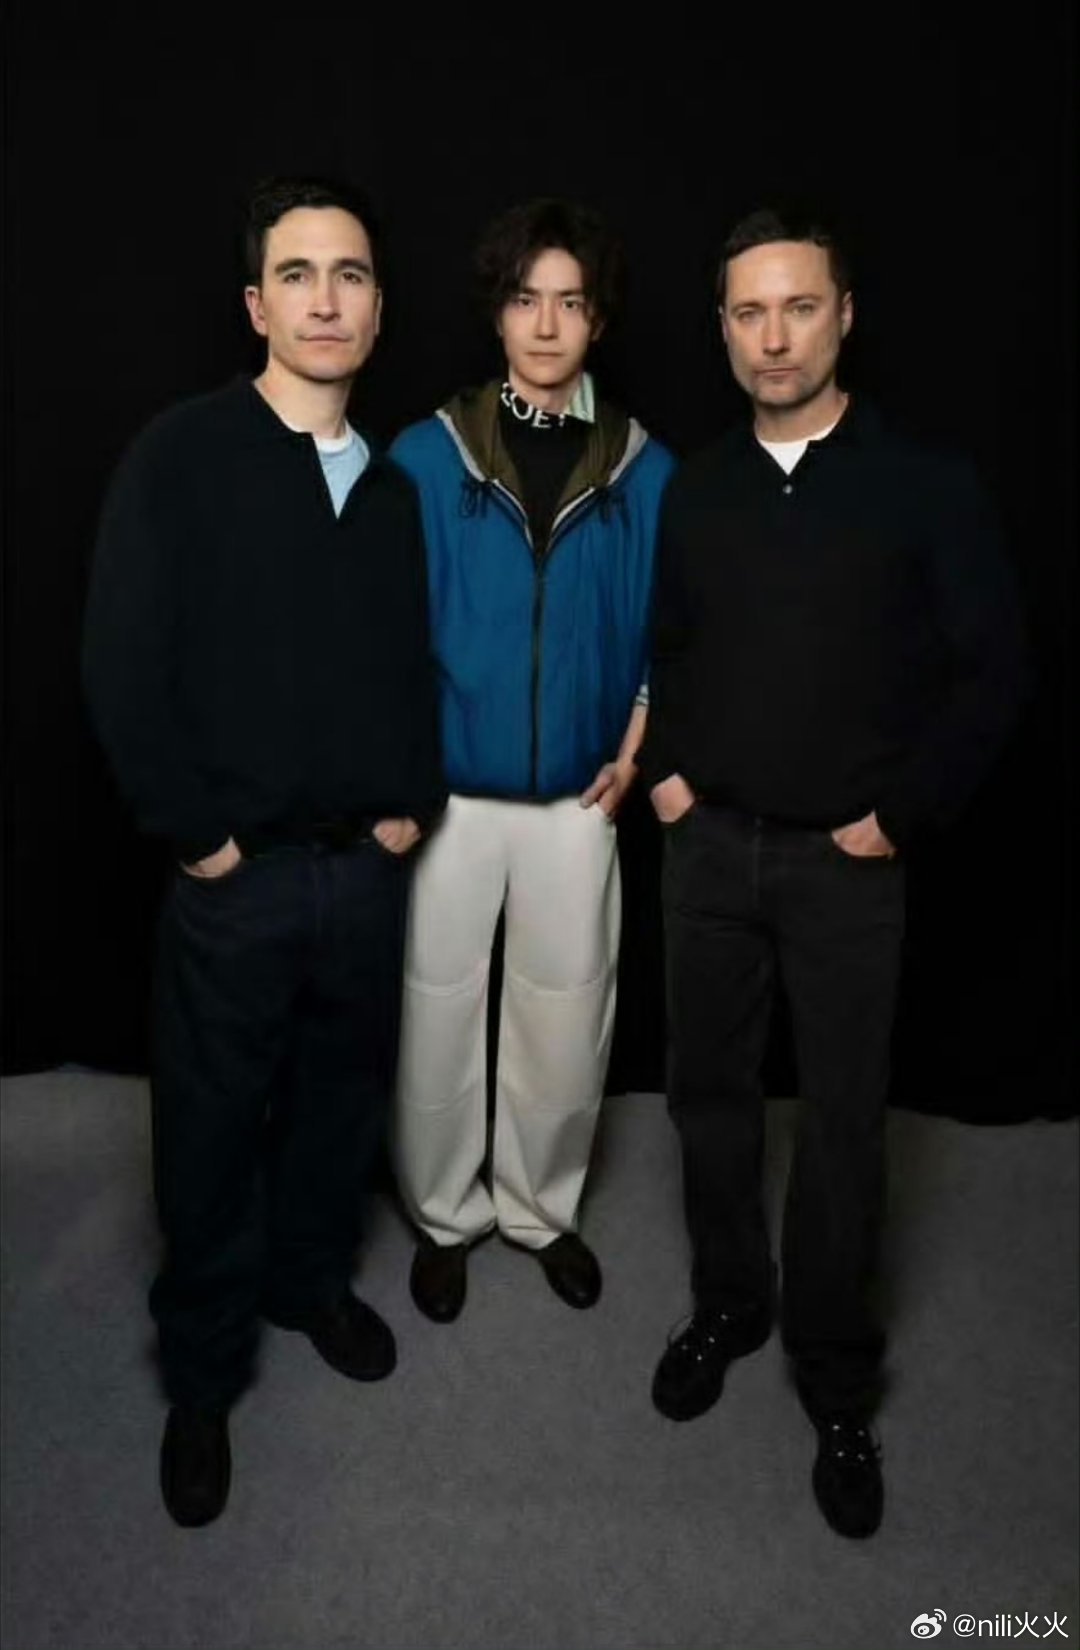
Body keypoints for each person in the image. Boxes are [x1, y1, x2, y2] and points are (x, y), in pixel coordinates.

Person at [638, 207, 1027, 1538]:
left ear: (844, 315)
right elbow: (669, 645)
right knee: (708, 1098)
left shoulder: (925, 483)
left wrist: (900, 812)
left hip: (847, 865)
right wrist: (670, 775)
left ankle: (836, 1373)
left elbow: (994, 673)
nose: (774, 337)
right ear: (723, 328)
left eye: (798, 307)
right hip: (709, 850)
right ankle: (727, 1304)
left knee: (845, 1127)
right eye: (748, 312)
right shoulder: (698, 485)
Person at [82, 176, 444, 1527]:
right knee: (211, 1130)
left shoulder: (394, 488)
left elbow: (406, 666)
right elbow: (121, 662)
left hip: (361, 872)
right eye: (298, 274)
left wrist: (409, 801)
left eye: (350, 275)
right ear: (256, 304)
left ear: (378, 308)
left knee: (340, 1107)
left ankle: (308, 1285)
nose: (326, 300)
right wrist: (198, 837)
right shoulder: (180, 455)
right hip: (233, 882)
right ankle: (202, 1371)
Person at [390, 199, 674, 1322]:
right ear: (497, 314)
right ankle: (442, 1215)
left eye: (570, 302)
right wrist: (404, 775)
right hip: (451, 797)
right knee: (436, 1013)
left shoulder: (645, 468)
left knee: (565, 1015)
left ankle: (539, 1211)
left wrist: (637, 750)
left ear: (598, 320)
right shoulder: (427, 456)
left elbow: (668, 633)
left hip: (579, 798)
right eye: (525, 300)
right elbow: (384, 634)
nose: (546, 325)